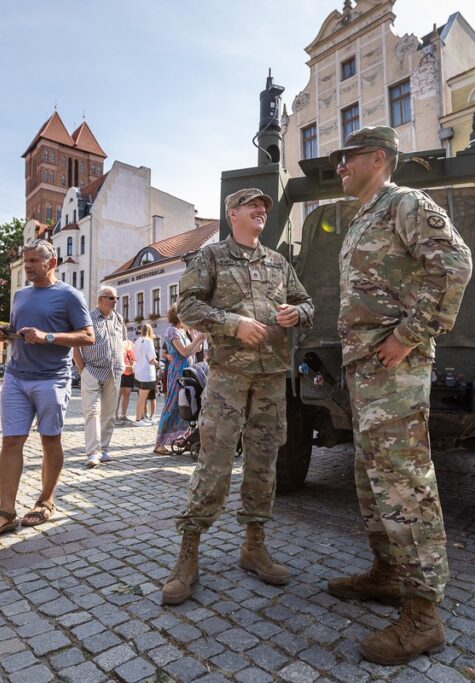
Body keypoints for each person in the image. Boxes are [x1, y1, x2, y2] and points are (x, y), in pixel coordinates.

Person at [326, 126, 473, 665]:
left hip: (395, 366)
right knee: (372, 478)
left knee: (404, 482)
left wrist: (408, 334)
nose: (340, 165)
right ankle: (388, 573)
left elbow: (455, 265)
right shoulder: (364, 215)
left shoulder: (405, 203)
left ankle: (422, 616)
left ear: (379, 159)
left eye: (348, 157)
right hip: (366, 370)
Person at [162, 188, 313, 605]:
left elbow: (306, 303)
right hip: (228, 376)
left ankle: (254, 546)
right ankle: (188, 556)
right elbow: (187, 306)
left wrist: (295, 313)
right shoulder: (210, 258)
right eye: (252, 205)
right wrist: (232, 324)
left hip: (271, 377)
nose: (261, 210)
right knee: (215, 461)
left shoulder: (279, 262)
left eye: (264, 206)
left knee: (264, 463)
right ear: (232, 214)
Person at [0, 239, 94, 538]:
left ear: (51, 263)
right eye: (25, 260)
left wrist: (48, 337)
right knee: (11, 441)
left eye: (33, 261)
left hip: (51, 377)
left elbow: (88, 337)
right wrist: (4, 332)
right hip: (16, 375)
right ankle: (6, 511)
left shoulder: (70, 296)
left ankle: (46, 500)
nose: (27, 266)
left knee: (49, 440)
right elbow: (19, 332)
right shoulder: (20, 295)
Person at [73, 285, 126, 468]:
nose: (115, 301)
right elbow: (76, 346)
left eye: (116, 298)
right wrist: (83, 370)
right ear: (100, 300)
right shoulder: (87, 318)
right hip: (93, 371)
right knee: (92, 412)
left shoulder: (118, 318)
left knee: (109, 414)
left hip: (114, 372)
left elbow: (122, 342)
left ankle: (103, 449)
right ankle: (93, 453)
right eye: (111, 298)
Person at [153, 305, 207, 455]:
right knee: (171, 405)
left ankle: (181, 437)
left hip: (187, 372)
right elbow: (184, 352)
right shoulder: (172, 331)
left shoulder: (183, 331)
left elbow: (196, 350)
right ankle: (159, 443)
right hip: (177, 372)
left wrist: (197, 336)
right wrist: (198, 338)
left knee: (186, 405)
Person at [132, 324, 159, 427]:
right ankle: (138, 419)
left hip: (139, 372)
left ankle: (142, 417)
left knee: (141, 397)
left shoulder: (138, 341)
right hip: (147, 373)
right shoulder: (148, 341)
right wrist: (159, 365)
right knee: (142, 398)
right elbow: (151, 359)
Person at [115, 338, 136, 425]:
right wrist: (124, 367)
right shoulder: (119, 345)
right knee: (118, 395)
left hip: (130, 373)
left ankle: (123, 415)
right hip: (121, 372)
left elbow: (134, 359)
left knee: (127, 394)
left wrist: (133, 366)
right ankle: (115, 416)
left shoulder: (131, 345)